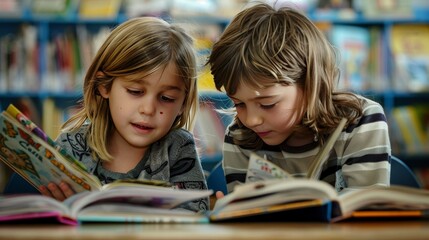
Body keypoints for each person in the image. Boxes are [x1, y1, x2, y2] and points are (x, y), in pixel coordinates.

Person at [207, 3, 391, 197]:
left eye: (267, 104)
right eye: (239, 103)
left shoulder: (361, 121)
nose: (251, 120)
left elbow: (366, 214)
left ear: (311, 83)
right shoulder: (240, 137)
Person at [38, 17, 209, 212]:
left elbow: (195, 216)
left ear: (183, 103)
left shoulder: (177, 148)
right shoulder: (71, 145)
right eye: (135, 92)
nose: (148, 109)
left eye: (167, 98)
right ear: (104, 86)